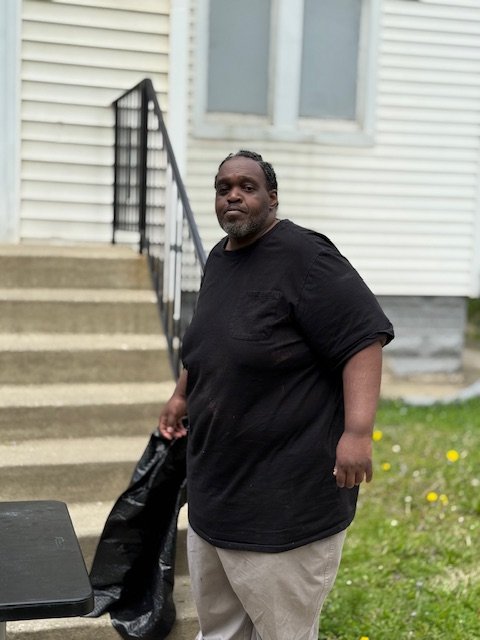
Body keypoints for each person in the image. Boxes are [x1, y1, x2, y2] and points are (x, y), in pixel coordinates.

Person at [158, 150, 394, 640]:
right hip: (216, 493)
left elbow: (362, 341)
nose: (233, 196)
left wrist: (357, 433)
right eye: (223, 188)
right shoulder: (220, 258)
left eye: (246, 187)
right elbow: (211, 341)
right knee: (219, 630)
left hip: (283, 503)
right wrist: (182, 394)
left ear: (272, 197)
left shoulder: (307, 257)